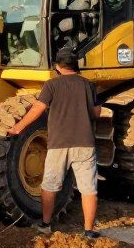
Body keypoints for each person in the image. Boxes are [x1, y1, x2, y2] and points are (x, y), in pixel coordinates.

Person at [8, 46, 103, 237]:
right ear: (76, 65)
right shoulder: (89, 85)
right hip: (84, 143)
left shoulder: (51, 85)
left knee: (50, 185)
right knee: (88, 188)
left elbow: (37, 109)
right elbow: (96, 113)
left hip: (58, 143)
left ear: (58, 66)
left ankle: (45, 224)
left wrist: (18, 127)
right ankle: (89, 231)